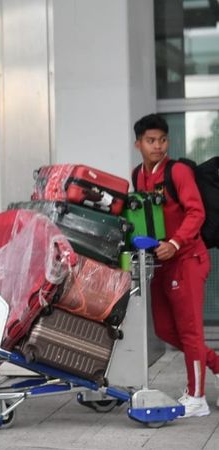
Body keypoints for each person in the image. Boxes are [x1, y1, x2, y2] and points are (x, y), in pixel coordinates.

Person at [132, 113, 219, 418]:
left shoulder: (178, 171)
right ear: (138, 144)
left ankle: (196, 398)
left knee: (191, 331)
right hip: (160, 263)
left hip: (187, 259)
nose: (158, 146)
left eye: (162, 140)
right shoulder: (138, 176)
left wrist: (176, 243)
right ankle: (217, 365)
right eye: (151, 140)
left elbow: (196, 213)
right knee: (168, 331)